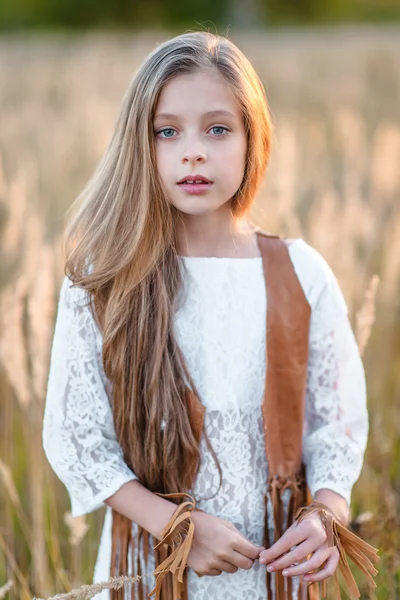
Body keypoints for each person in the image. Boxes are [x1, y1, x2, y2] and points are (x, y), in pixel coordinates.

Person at [42, 30, 371, 600]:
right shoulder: (106, 277)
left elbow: (335, 430)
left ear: (252, 138)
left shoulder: (301, 272)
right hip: (150, 567)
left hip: (274, 568)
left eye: (218, 129)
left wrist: (324, 515)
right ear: (140, 146)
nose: (192, 151)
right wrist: (178, 529)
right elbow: (76, 438)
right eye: (167, 132)